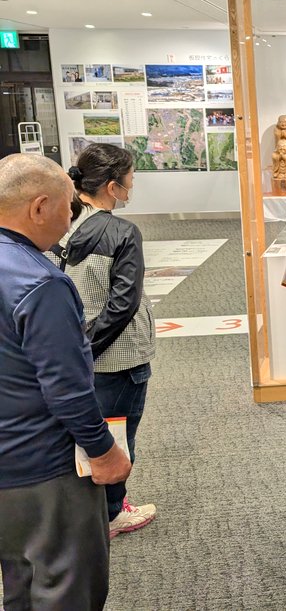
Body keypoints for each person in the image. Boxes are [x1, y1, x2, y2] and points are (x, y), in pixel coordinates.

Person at [0, 154, 132, 610]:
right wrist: (102, 450)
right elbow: (66, 387)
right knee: (66, 588)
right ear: (38, 207)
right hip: (44, 468)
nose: (69, 219)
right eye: (65, 208)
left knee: (22, 581)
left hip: (7, 466)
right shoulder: (40, 284)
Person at [50, 144, 157, 538]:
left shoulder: (62, 222)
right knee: (118, 436)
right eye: (130, 179)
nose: (133, 185)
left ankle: (90, 510)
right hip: (119, 357)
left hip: (75, 352)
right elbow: (123, 305)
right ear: (114, 187)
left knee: (88, 431)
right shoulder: (122, 232)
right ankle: (112, 513)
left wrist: (78, 350)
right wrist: (90, 347)